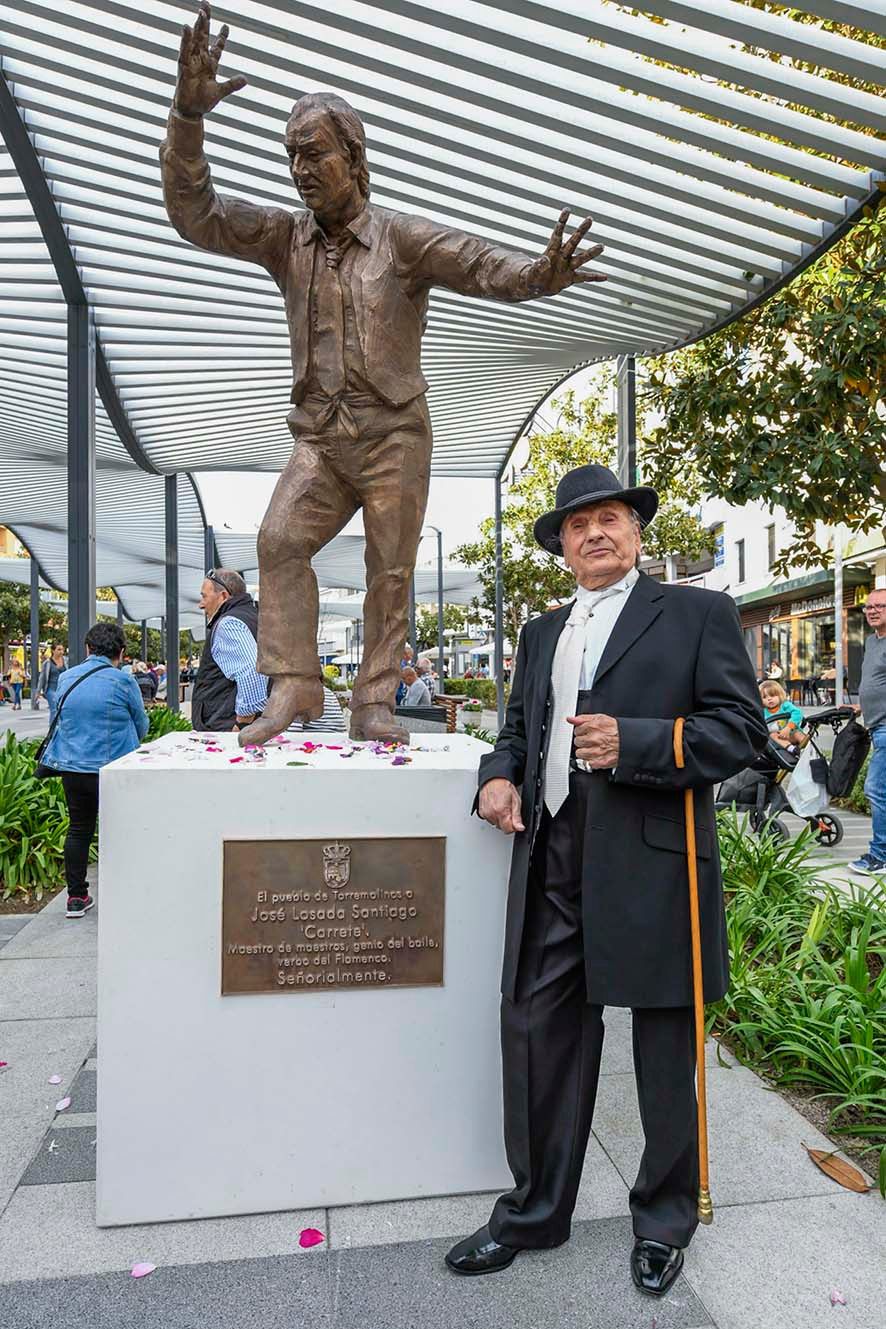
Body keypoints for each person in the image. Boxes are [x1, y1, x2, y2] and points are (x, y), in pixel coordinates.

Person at [160, 2, 607, 746]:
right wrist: (187, 115)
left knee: (389, 567)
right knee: (277, 539)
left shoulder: (400, 240)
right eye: (292, 158)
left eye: (315, 155)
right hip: (321, 437)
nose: (301, 172)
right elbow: (195, 211)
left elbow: (480, 263)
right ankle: (297, 684)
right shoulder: (282, 236)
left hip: (393, 432)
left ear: (355, 158)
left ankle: (373, 699)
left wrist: (539, 272)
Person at [444, 464, 767, 1296]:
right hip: (551, 857)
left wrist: (639, 743)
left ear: (636, 530)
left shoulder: (699, 613)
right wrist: (497, 775)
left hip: (652, 863)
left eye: (611, 517)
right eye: (578, 523)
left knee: (663, 1051)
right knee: (538, 1036)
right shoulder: (542, 633)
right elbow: (518, 727)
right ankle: (535, 1211)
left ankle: (664, 1223)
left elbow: (739, 732)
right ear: (561, 546)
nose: (595, 532)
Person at [38, 623, 148, 918]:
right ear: (122, 653)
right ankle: (124, 894)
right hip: (114, 769)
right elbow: (142, 725)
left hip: (74, 767)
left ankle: (76, 897)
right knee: (120, 831)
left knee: (78, 830)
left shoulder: (66, 678)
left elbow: (59, 718)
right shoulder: (123, 681)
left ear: (88, 649)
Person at [192, 569, 267, 732]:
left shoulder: (229, 624)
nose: (201, 604)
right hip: (256, 726)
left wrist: (242, 724)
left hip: (227, 728)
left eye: (204, 596)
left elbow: (252, 672)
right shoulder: (257, 618)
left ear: (223, 596)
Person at [850, 588, 886, 875]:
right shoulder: (872, 642)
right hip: (876, 726)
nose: (873, 611)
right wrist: (861, 705)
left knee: (875, 788)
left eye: (880, 606)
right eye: (868, 607)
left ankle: (880, 856)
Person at [759, 681, 804, 748]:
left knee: (798, 734)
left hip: (791, 733)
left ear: (780, 695)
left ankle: (808, 749)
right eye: (765, 697)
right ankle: (791, 749)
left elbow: (797, 713)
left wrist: (788, 727)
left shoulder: (785, 705)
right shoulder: (763, 711)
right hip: (777, 737)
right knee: (772, 736)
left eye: (772, 695)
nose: (769, 699)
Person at [36, 644, 67, 718]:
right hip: (51, 689)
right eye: (59, 649)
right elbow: (42, 677)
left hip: (63, 689)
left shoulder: (66, 660)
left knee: (62, 710)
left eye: (62, 650)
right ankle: (52, 728)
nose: (61, 652)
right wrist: (38, 691)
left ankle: (59, 728)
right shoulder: (47, 663)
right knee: (54, 709)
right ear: (53, 651)